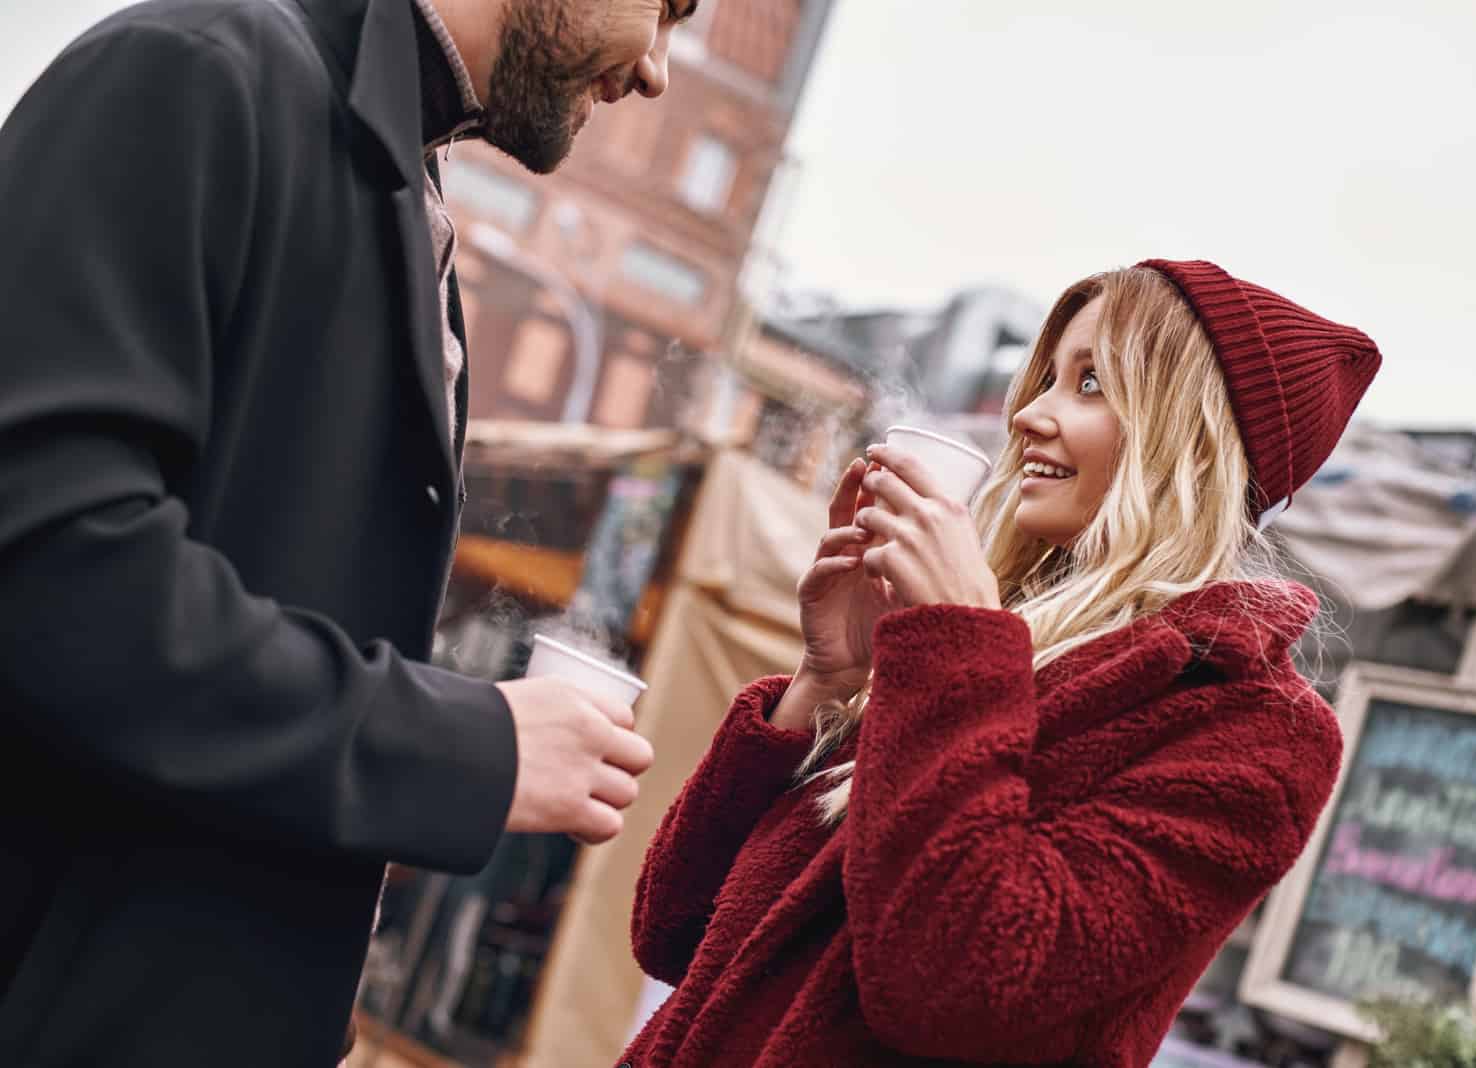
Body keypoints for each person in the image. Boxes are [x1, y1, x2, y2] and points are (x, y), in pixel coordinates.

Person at [0, 0, 695, 1063]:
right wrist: (462, 749)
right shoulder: (195, 67)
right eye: (670, 8)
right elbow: (47, 568)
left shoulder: (398, 177)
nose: (656, 70)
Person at [625, 260, 1383, 1068]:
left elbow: (956, 986)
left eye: (1091, 384)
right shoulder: (990, 646)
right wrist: (824, 685)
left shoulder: (1257, 732)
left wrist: (957, 642)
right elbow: (672, 931)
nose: (1029, 415)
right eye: (1047, 377)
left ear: (1189, 440)